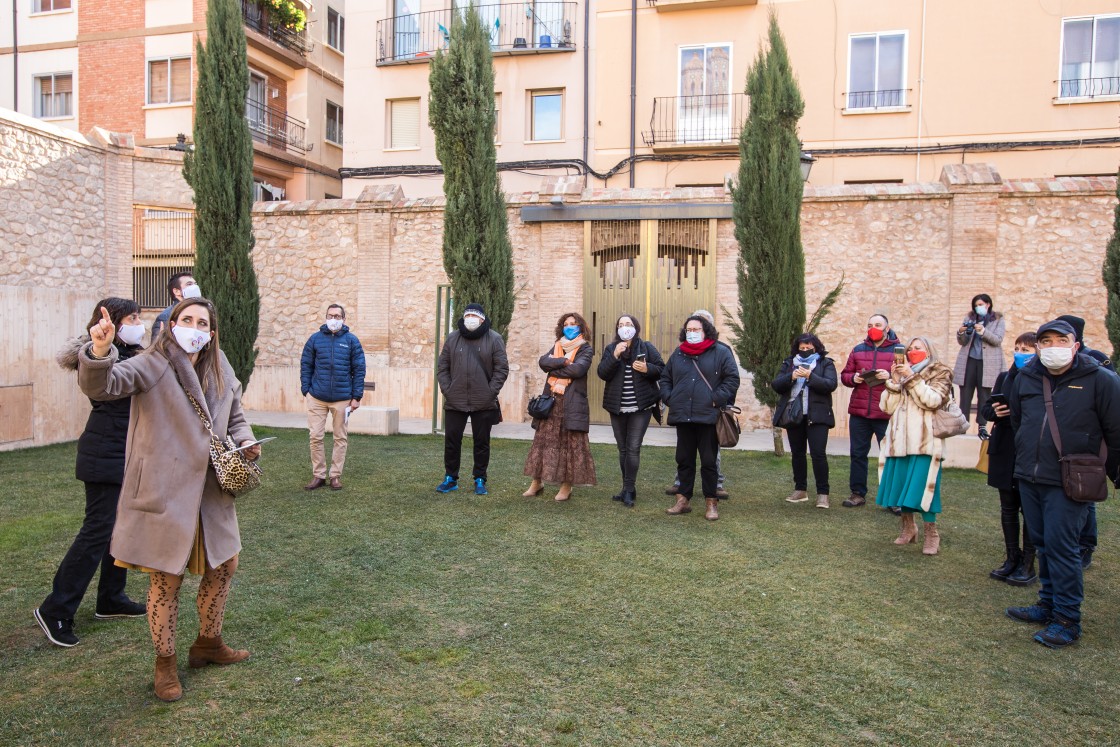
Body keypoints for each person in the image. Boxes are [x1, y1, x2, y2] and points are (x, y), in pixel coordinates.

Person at [78, 297, 262, 701]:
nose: (194, 328)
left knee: (225, 563)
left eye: (202, 323)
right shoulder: (151, 362)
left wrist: (246, 441)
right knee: (167, 577)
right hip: (165, 490)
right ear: (171, 324)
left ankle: (208, 643)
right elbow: (103, 385)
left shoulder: (219, 366)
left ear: (211, 333)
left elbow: (235, 416)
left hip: (211, 490)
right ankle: (165, 663)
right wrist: (100, 351)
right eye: (186, 319)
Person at [34, 298, 149, 648]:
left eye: (139, 317)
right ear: (112, 321)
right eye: (132, 317)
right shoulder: (104, 355)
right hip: (105, 456)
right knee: (96, 532)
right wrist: (102, 346)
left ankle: (111, 598)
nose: (138, 323)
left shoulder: (133, 352)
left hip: (123, 456)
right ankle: (55, 608)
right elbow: (98, 372)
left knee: (119, 530)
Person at [1006, 319, 1120, 648]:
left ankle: (1067, 619)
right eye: (1046, 341)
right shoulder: (1026, 378)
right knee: (1043, 544)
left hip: (1071, 479)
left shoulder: (1101, 380)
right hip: (1031, 475)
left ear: (1075, 345)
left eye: (1061, 339)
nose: (1053, 346)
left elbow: (1115, 431)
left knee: (1063, 548)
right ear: (1038, 347)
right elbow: (1018, 420)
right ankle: (1047, 604)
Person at [876, 336, 954, 555]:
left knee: (924, 489)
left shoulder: (940, 372)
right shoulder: (901, 373)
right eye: (909, 349)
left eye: (917, 348)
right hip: (898, 440)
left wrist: (912, 377)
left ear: (928, 351)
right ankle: (908, 527)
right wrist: (893, 381)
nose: (912, 352)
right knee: (900, 486)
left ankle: (931, 533)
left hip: (924, 441)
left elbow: (933, 401)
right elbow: (886, 407)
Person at [660, 314, 740, 521]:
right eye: (689, 330)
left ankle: (711, 502)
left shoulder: (721, 351)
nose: (692, 333)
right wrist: (670, 398)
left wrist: (716, 399)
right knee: (684, 459)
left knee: (708, 461)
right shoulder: (679, 353)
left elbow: (732, 379)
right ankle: (682, 500)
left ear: (706, 331)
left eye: (696, 330)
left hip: (708, 416)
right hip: (683, 415)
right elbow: (665, 378)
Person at [1055, 314, 1115, 571]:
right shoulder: (1055, 359)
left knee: (1085, 497)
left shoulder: (1096, 360)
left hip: (1089, 445)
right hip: (1063, 443)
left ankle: (1086, 545)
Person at [980, 332, 1038, 586]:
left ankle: (1028, 563)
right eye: (1017, 347)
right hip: (1004, 447)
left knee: (1030, 509)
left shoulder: (1042, 380)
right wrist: (994, 410)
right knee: (1008, 507)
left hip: (1029, 450)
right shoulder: (1005, 377)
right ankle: (1011, 557)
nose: (1020, 352)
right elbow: (985, 409)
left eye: (1027, 348)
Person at [435, 303, 509, 495]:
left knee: (481, 442)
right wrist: (448, 390)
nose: (470, 319)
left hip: (483, 401)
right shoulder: (453, 338)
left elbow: (501, 368)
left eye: (474, 316)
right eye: (467, 315)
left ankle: (480, 479)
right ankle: (450, 478)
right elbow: (442, 367)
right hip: (455, 400)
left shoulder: (494, 339)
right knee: (452, 441)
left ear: (482, 319)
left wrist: (490, 392)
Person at [523, 312, 597, 501]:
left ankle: (566, 486)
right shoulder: (557, 346)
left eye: (573, 323)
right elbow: (542, 362)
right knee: (543, 443)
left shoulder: (586, 349)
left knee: (568, 446)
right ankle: (537, 482)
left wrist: (554, 367)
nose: (569, 326)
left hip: (571, 404)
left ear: (581, 327)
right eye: (566, 324)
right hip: (551, 403)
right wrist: (564, 361)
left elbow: (578, 369)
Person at [597, 314, 665, 508]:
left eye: (628, 324)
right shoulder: (612, 349)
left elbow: (662, 369)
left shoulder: (646, 347)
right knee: (623, 449)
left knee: (633, 447)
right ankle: (628, 488)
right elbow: (602, 373)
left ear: (636, 327)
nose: (624, 327)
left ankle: (628, 490)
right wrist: (615, 356)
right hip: (617, 407)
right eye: (620, 324)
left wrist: (647, 368)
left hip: (640, 407)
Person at [300, 304, 365, 491]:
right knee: (315, 436)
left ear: (344, 319)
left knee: (340, 438)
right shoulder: (315, 339)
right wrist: (307, 390)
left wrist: (356, 397)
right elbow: (306, 365)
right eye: (330, 315)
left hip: (342, 398)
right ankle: (318, 475)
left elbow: (359, 369)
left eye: (337, 316)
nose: (333, 319)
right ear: (325, 317)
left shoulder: (352, 341)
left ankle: (335, 475)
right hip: (317, 397)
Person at [771, 333, 838, 509]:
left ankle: (823, 494)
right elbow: (776, 384)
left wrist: (810, 376)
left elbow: (830, 384)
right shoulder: (789, 363)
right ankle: (800, 489)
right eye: (802, 348)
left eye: (809, 348)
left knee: (818, 454)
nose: (805, 350)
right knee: (797, 453)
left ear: (816, 347)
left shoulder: (826, 363)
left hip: (817, 416)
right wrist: (791, 377)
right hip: (794, 415)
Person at [839, 313, 899, 508]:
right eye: (870, 325)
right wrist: (853, 378)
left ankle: (892, 498)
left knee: (889, 456)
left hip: (886, 413)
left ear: (887, 329)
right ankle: (857, 493)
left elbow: (907, 378)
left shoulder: (899, 351)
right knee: (857, 454)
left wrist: (890, 375)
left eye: (878, 325)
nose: (874, 328)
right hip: (859, 412)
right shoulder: (858, 350)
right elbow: (845, 376)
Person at [952, 293, 1006, 440]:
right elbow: (962, 342)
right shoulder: (969, 318)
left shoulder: (998, 319)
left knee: (984, 394)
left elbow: (997, 340)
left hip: (988, 362)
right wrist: (961, 332)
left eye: (981, 304)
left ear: (988, 304)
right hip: (969, 360)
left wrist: (982, 331)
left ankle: (982, 426)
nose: (978, 307)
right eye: (976, 305)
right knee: (965, 393)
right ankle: (962, 425)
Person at [150, 272, 200, 340]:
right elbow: (157, 346)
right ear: (176, 291)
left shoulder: (200, 313)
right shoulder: (166, 317)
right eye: (189, 284)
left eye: (195, 284)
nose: (195, 287)